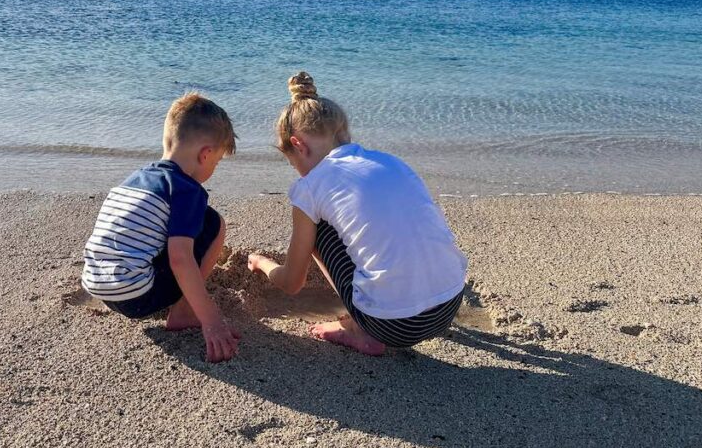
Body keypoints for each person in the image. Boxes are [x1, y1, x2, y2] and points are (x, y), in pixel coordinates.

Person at [247, 72, 467, 356]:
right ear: (344, 134)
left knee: (317, 228)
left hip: (393, 326)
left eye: (293, 163)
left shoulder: (310, 186)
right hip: (450, 302)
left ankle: (358, 328)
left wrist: (262, 263)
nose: (298, 171)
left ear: (298, 145)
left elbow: (292, 282)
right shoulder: (390, 161)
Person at [81, 93, 241, 362]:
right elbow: (180, 257)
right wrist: (211, 319)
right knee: (213, 222)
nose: (214, 168)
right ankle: (184, 311)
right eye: (217, 162)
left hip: (97, 284)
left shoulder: (135, 179)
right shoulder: (186, 190)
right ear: (206, 154)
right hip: (136, 296)